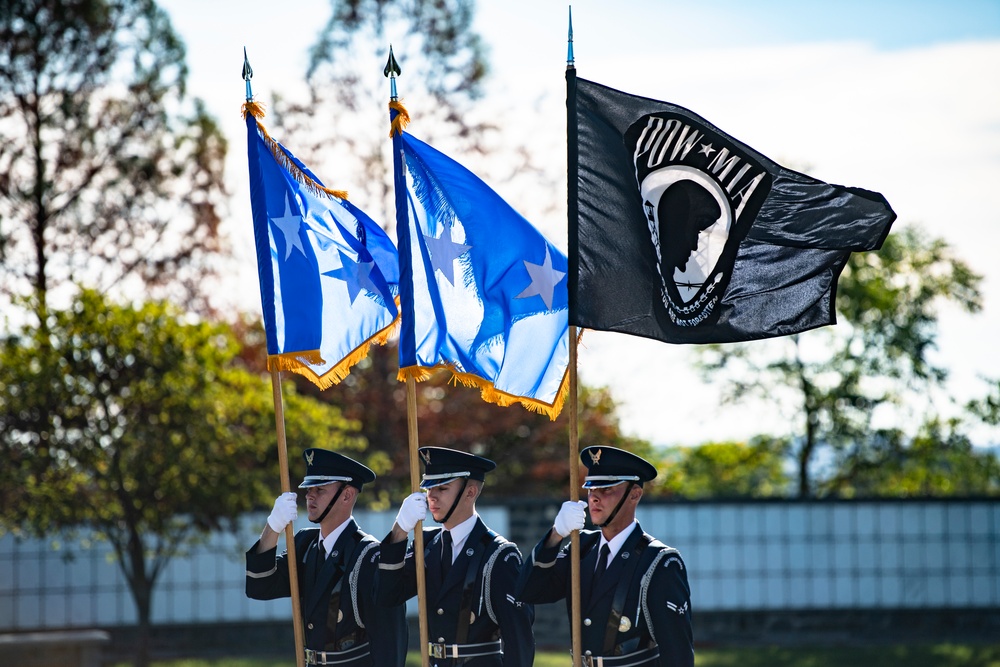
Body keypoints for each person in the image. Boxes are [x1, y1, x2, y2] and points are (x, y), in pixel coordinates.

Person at [516, 446, 694, 667]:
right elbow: (527, 591)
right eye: (591, 489)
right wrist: (555, 534)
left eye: (607, 489)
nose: (595, 498)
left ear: (635, 494)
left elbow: (677, 654)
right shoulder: (581, 549)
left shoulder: (659, 562)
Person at [246, 448, 407, 667]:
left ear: (347, 495)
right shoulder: (305, 545)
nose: (309, 495)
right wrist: (273, 526)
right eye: (308, 488)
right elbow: (259, 585)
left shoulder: (368, 556)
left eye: (320, 489)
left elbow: (389, 644)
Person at [377, 446, 534, 666]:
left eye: (442, 488)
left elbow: (519, 642)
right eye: (429, 488)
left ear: (470, 492)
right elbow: (388, 596)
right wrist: (399, 530)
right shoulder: (427, 545)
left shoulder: (499, 555)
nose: (431, 496)